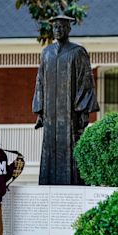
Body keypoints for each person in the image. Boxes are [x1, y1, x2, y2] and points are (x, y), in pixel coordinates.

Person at [32, 14, 99, 185]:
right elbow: (40, 81)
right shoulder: (46, 53)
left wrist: (83, 111)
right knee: (50, 149)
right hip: (51, 114)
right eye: (55, 27)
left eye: (61, 27)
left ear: (68, 29)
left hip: (71, 114)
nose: (58, 30)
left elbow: (85, 81)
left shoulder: (77, 52)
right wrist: (40, 110)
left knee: (71, 149)